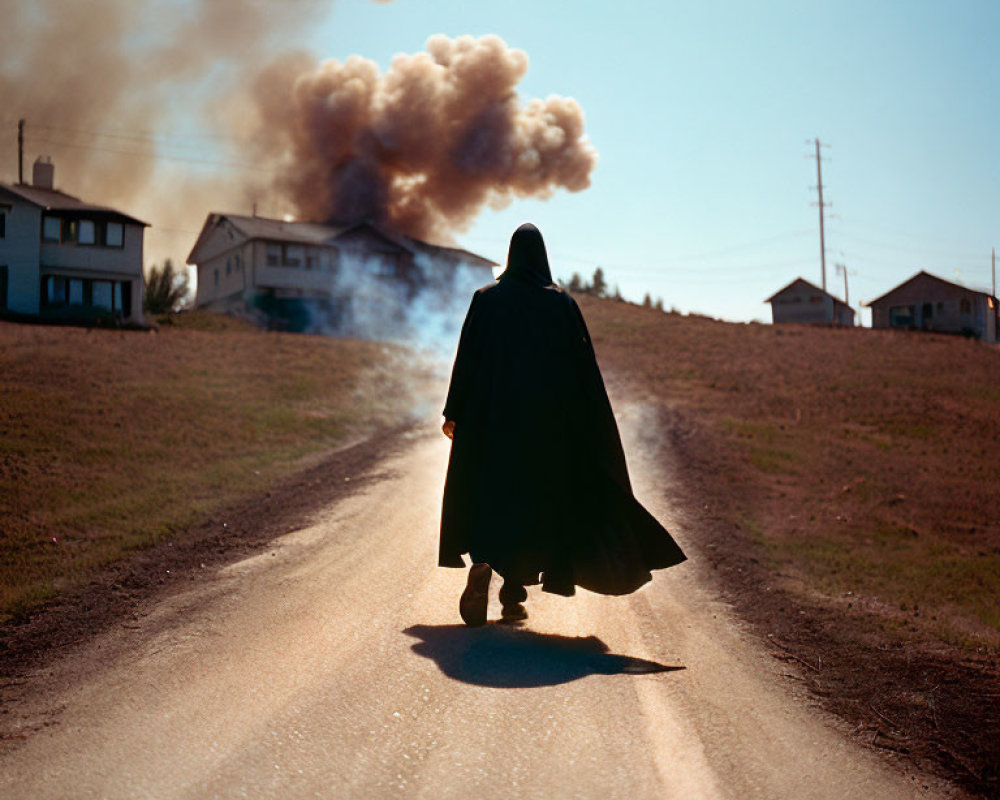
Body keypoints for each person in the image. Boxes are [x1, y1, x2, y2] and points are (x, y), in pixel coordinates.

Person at [440, 223, 686, 627]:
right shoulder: (561, 305)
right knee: (536, 509)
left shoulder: (486, 300)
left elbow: (467, 357)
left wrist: (455, 412)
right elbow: (582, 374)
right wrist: (589, 427)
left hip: (491, 426)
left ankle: (485, 564)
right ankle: (513, 590)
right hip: (545, 433)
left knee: (492, 498)